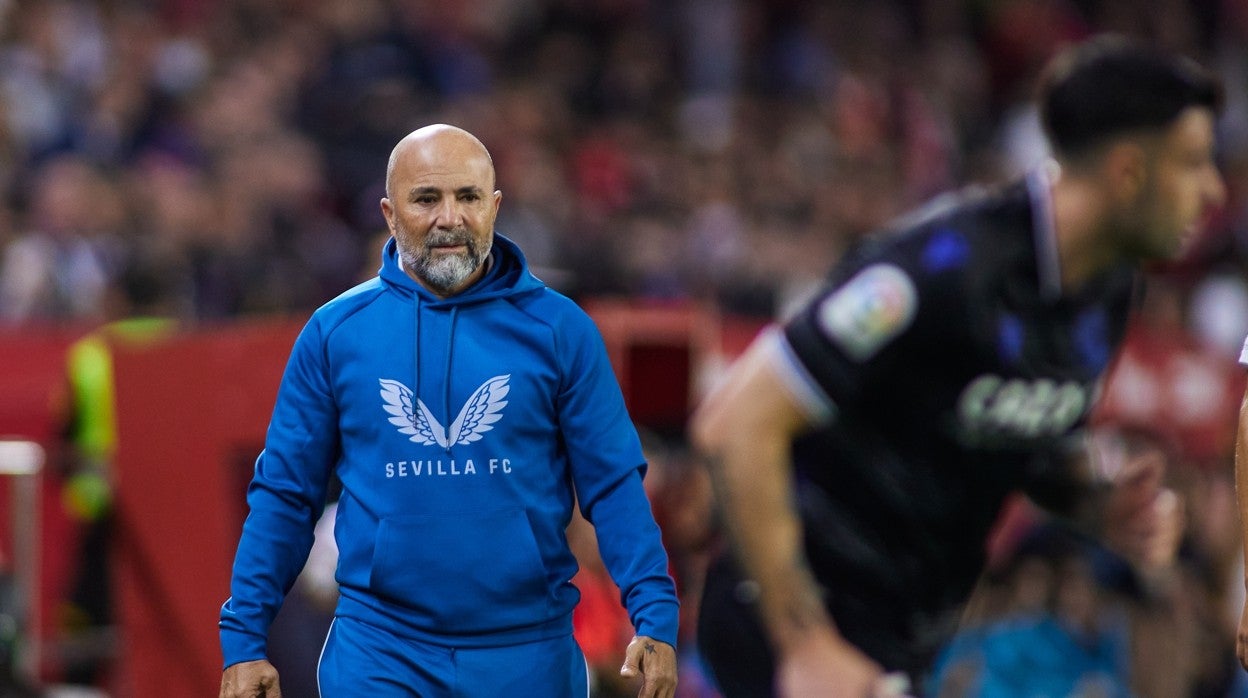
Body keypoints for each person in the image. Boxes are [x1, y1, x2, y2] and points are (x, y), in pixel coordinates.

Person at [690, 35, 1224, 697]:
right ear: (1127, 172)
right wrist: (806, 646)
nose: (1213, 192)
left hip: (900, 642)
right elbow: (734, 423)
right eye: (1194, 163)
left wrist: (1097, 501)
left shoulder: (1108, 291)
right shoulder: (944, 267)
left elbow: (1023, 439)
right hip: (788, 633)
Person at [219, 124, 679, 698]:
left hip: (529, 657)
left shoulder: (561, 332)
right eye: (426, 198)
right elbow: (285, 494)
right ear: (389, 214)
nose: (449, 219)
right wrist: (244, 640)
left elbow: (613, 485)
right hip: (379, 655)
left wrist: (654, 617)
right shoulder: (335, 334)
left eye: (467, 197)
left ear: (495, 207)